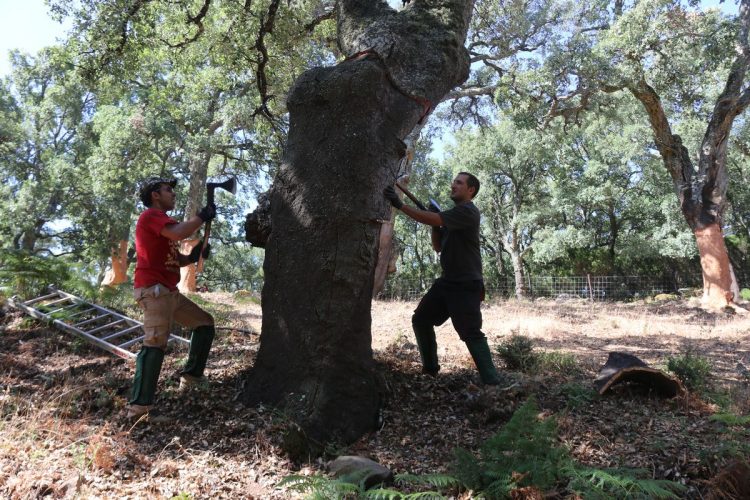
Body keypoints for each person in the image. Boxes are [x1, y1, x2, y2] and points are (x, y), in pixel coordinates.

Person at [383, 172, 501, 385]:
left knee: (470, 332)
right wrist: (436, 227)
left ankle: (493, 382)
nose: (453, 185)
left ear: (470, 190)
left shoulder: (467, 211)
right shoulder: (453, 217)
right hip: (448, 282)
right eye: (454, 181)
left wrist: (400, 206)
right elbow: (438, 246)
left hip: (466, 284)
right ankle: (430, 371)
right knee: (421, 320)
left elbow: (434, 218)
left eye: (459, 183)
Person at [126, 177, 217, 420]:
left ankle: (191, 379)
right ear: (155, 195)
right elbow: (178, 233)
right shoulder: (151, 216)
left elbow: (175, 258)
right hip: (154, 290)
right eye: (168, 190)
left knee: (204, 324)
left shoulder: (161, 224)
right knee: (154, 343)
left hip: (169, 292)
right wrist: (201, 216)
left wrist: (194, 255)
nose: (173, 194)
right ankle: (139, 410)